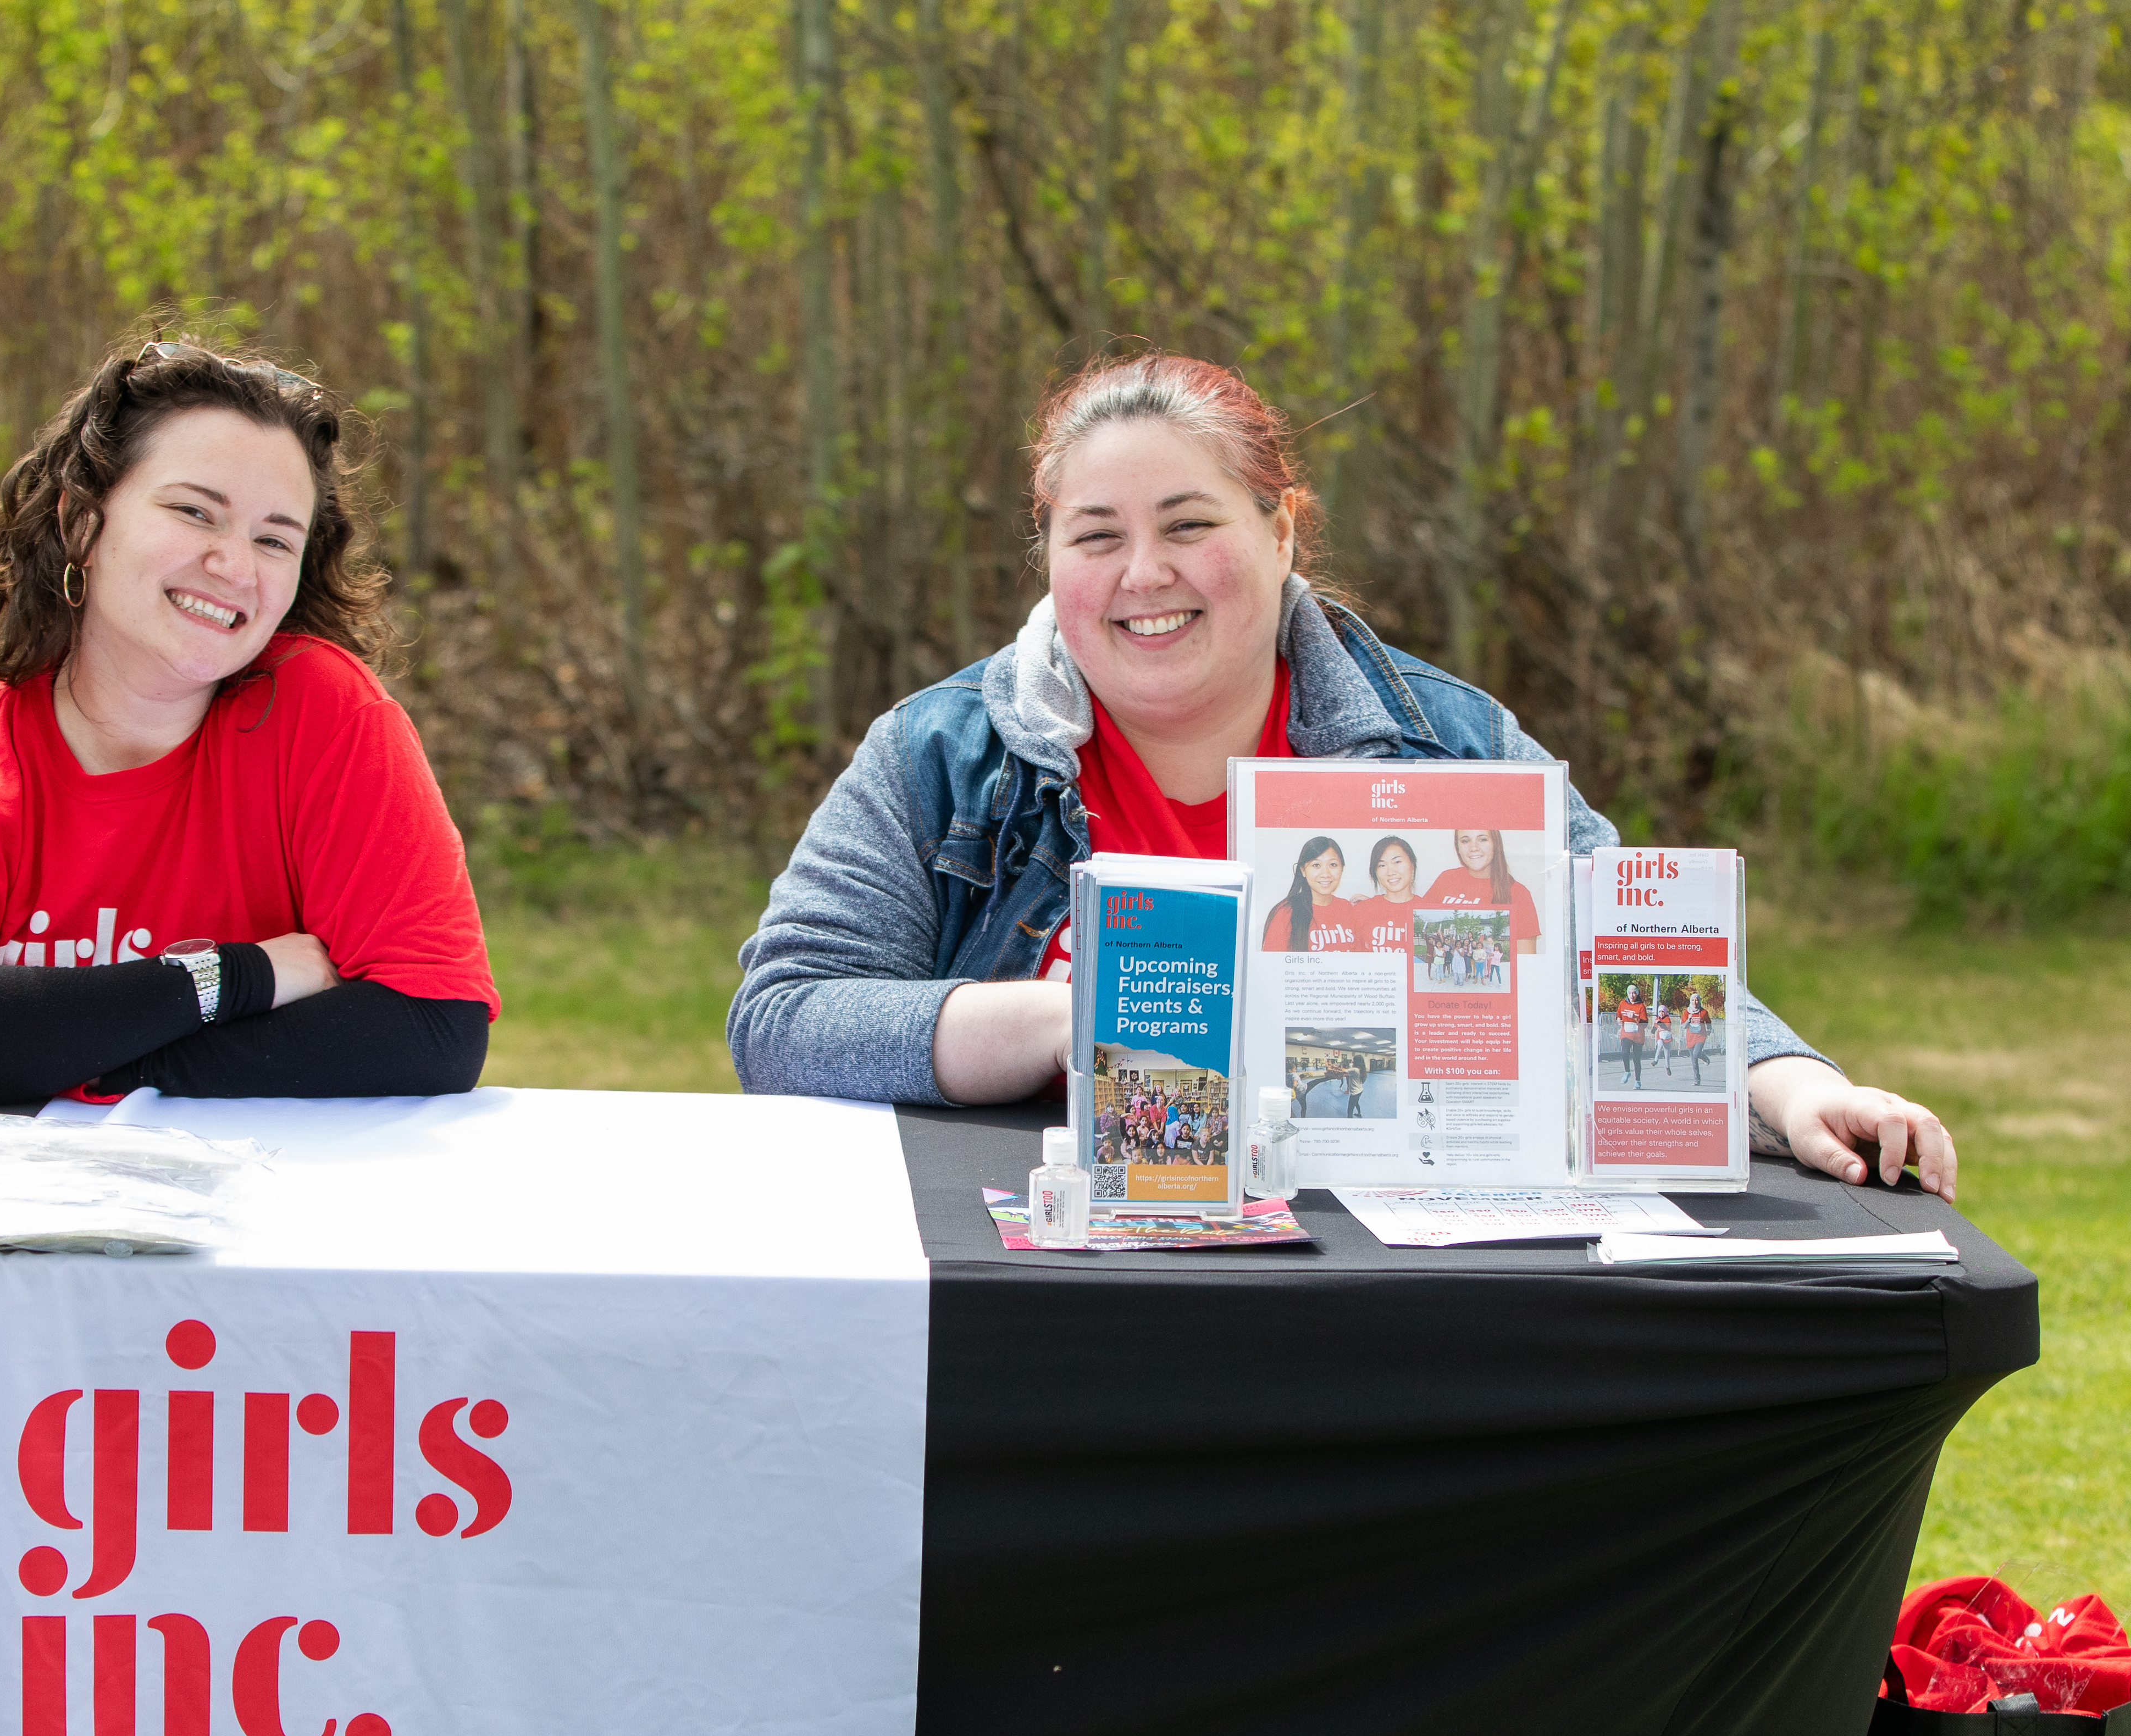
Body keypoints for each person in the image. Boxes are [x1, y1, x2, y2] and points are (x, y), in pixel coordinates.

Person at [728, 350, 1957, 1203]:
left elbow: (1624, 951)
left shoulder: (1452, 744)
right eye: (1096, 537)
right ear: (1051, 560)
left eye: (1191, 524)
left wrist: (1792, 1087)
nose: (1143, 573)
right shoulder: (940, 755)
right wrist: (1081, 1019)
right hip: (1028, 1277)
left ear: (1281, 532)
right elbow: (784, 1021)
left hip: (1373, 1277)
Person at [0, 336, 496, 1105]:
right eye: (194, 512)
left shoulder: (323, 714)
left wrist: (105, 1064)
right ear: (82, 521)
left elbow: (435, 1029)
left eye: (273, 539)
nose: (235, 566)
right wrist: (249, 975)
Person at [1425, 828, 1538, 955]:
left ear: (1495, 843)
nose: (1474, 847)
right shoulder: (1446, 879)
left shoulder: (1519, 894)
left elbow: (1526, 965)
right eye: (1466, 841)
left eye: (1483, 839)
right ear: (1458, 847)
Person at [1261, 836, 1357, 952]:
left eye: (1333, 865)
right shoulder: (1285, 913)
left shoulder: (1349, 909)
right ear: (1303, 870)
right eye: (1316, 865)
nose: (1325, 874)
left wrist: (1369, 906)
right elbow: (1272, 967)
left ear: (1342, 869)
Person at [1358, 836, 1420, 955]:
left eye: (1397, 862)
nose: (1391, 872)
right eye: (1382, 865)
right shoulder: (1362, 910)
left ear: (1412, 864)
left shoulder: (1427, 908)